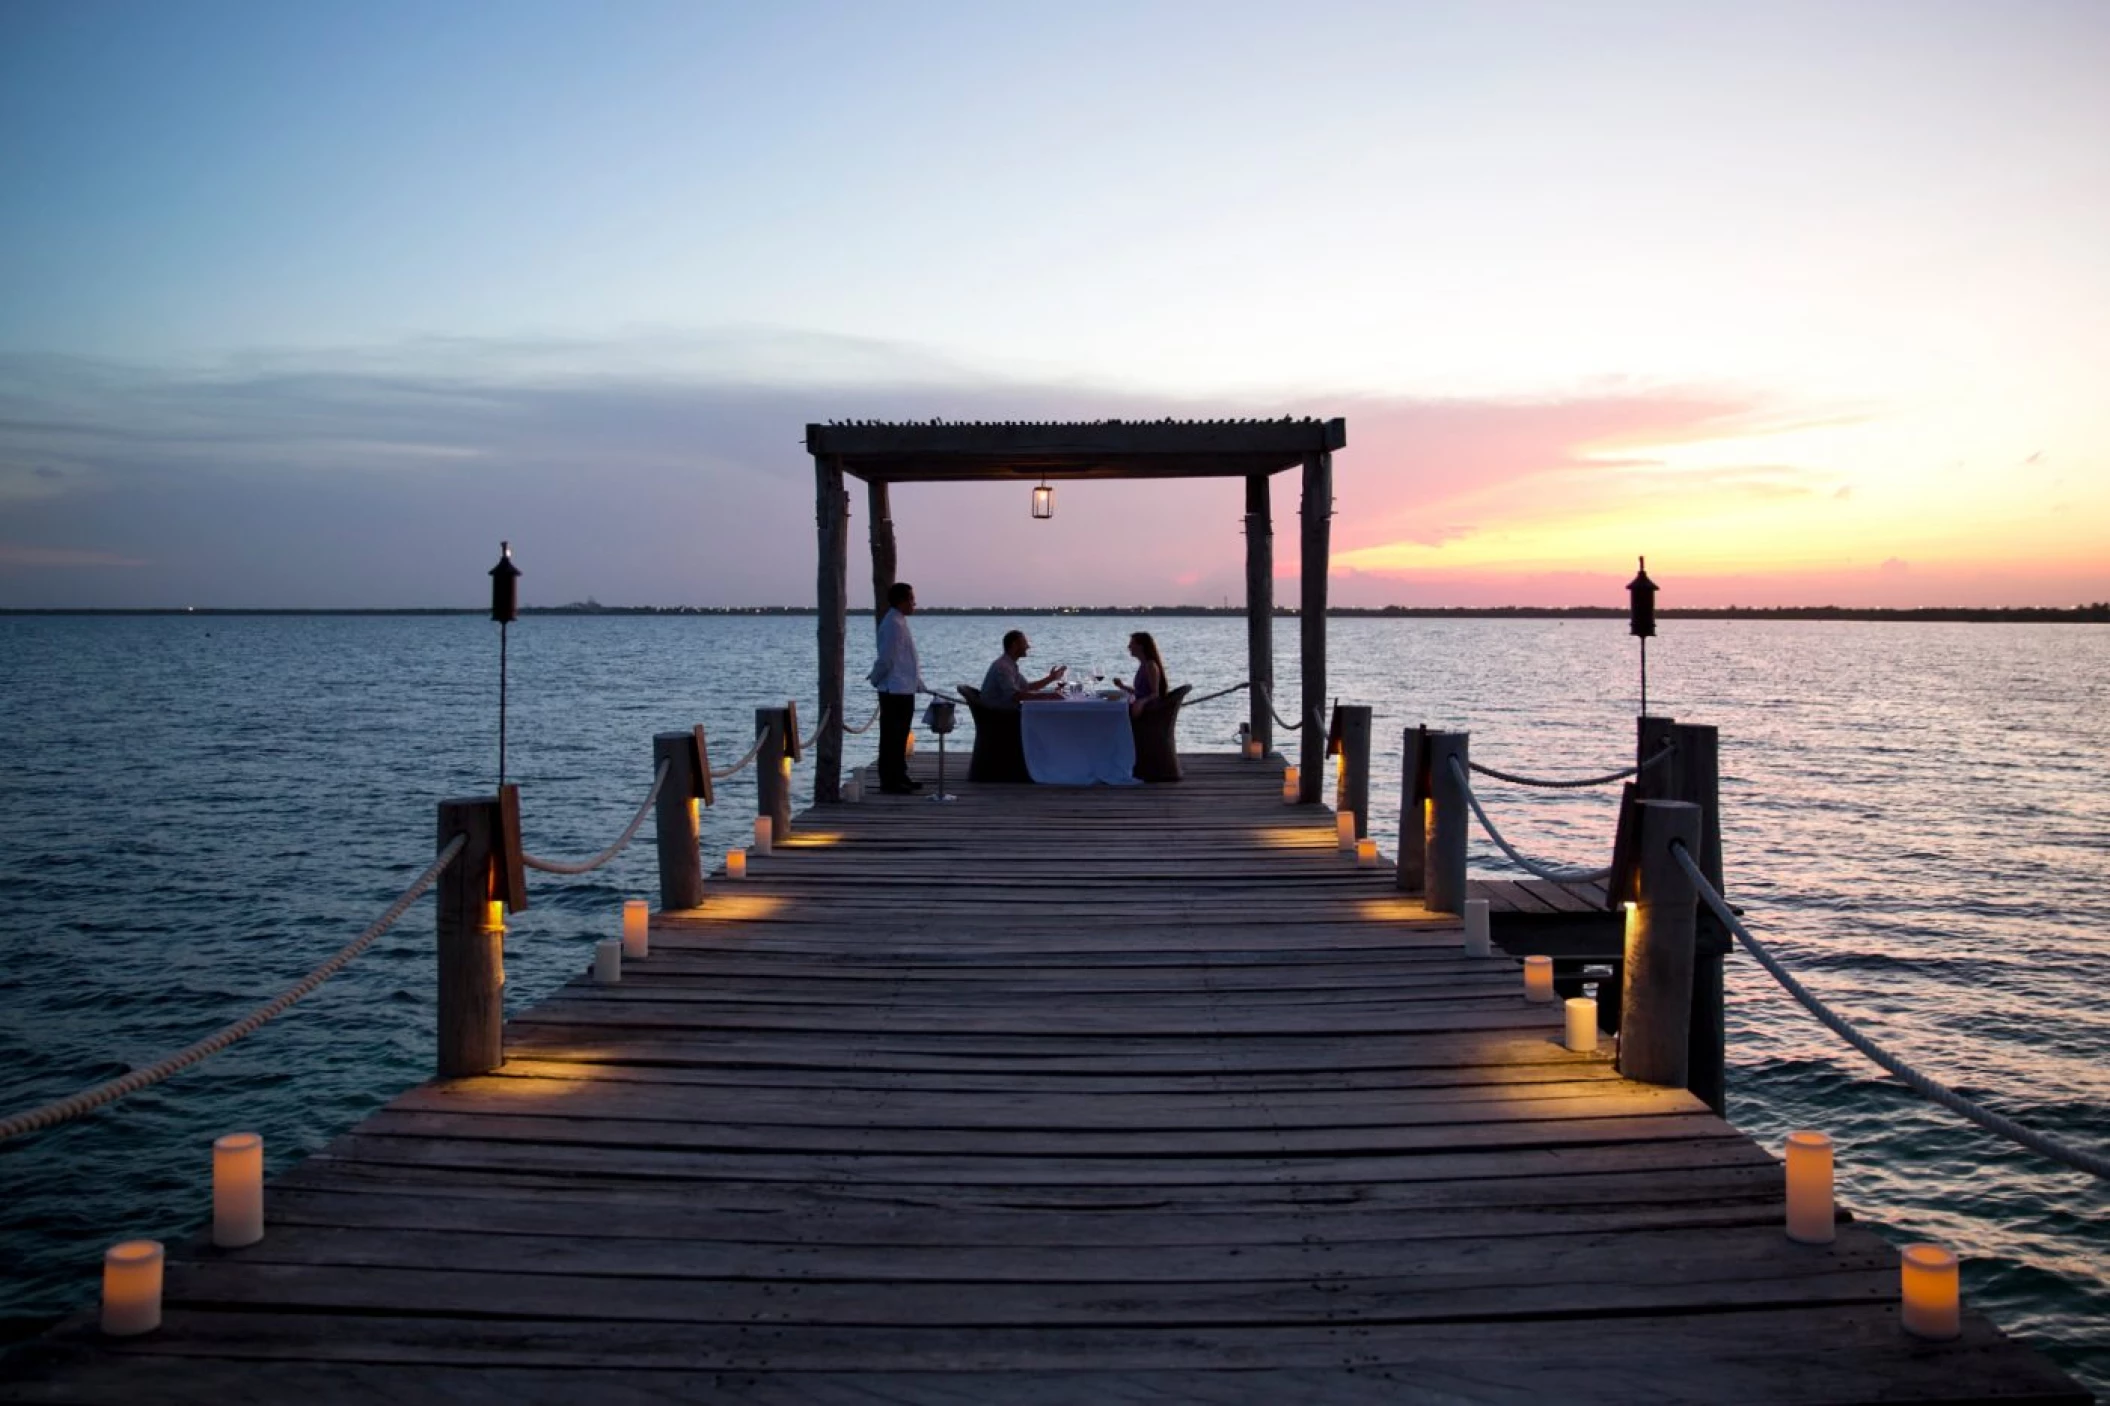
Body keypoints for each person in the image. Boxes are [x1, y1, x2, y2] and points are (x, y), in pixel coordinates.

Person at [867, 581, 927, 793]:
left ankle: (900, 775)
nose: (914, 603)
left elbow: (905, 658)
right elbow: (887, 659)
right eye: (911, 599)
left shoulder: (899, 622)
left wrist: (917, 682)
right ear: (901, 601)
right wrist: (876, 679)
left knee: (900, 736)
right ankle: (890, 781)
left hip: (904, 688)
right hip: (893, 690)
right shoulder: (892, 624)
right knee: (891, 737)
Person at [980, 630, 1066, 705]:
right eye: (1024, 643)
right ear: (1014, 645)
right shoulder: (1003, 667)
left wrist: (1051, 678)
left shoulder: (1009, 665)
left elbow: (1027, 687)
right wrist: (1048, 696)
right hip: (1000, 717)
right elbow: (1016, 696)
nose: (1028, 646)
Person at [1114, 631, 1168, 718]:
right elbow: (1140, 692)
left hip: (1146, 711)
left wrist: (1141, 702)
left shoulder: (1150, 665)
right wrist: (1122, 686)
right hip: (1138, 707)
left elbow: (1155, 694)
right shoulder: (1143, 665)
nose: (1129, 647)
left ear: (1141, 646)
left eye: (1132, 644)